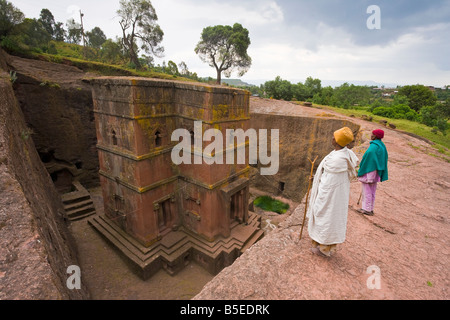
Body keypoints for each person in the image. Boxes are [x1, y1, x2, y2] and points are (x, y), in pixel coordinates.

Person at [307, 127, 359, 257]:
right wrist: (316, 178)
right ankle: (321, 243)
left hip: (330, 194)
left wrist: (318, 182)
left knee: (325, 215)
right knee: (328, 216)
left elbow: (329, 179)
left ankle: (323, 246)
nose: (332, 138)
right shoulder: (345, 154)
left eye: (334, 137)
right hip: (335, 192)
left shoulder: (337, 160)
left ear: (337, 141)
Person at [357, 129, 388, 216]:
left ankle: (366, 209)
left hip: (369, 171)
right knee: (372, 191)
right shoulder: (382, 146)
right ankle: (370, 208)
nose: (371, 135)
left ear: (375, 136)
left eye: (372, 134)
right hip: (376, 172)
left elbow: (367, 158)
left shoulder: (373, 147)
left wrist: (361, 169)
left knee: (366, 190)